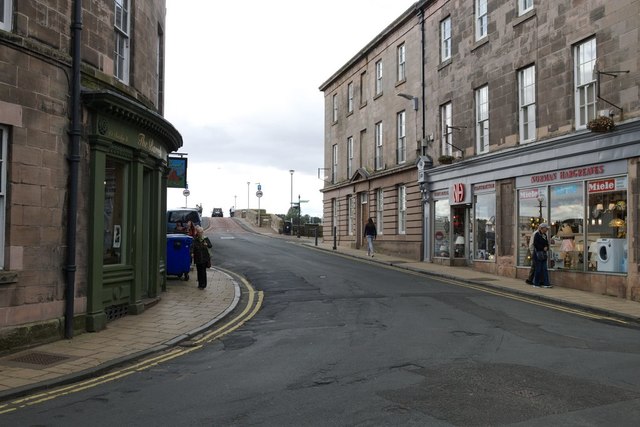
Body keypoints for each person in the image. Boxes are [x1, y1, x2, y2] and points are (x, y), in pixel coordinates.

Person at [532, 223, 552, 288]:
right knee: (538, 269)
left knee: (544, 269)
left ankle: (546, 284)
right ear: (542, 228)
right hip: (538, 254)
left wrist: (547, 247)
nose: (547, 230)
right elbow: (535, 244)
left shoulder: (545, 235)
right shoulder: (537, 235)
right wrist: (542, 248)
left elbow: (547, 243)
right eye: (546, 228)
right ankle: (536, 283)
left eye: (547, 229)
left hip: (544, 254)